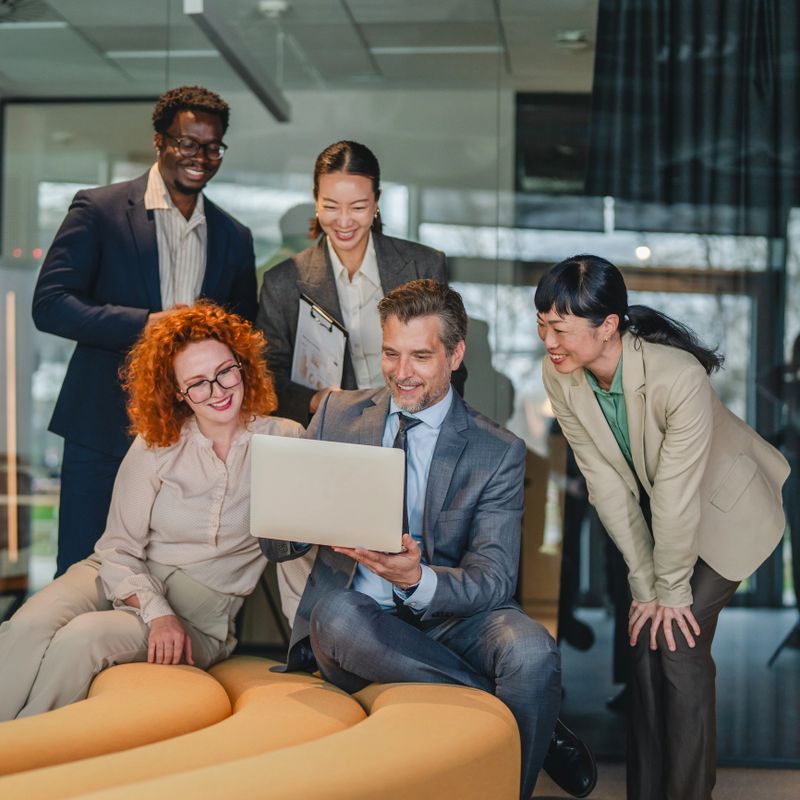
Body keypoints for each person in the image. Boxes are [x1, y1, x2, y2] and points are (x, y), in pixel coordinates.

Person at [261, 280, 596, 800]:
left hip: (453, 620)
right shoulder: (337, 415)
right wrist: (297, 519)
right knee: (339, 614)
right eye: (391, 353)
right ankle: (531, 720)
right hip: (360, 622)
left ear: (455, 355)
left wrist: (418, 579)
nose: (401, 372)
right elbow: (276, 545)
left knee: (532, 652)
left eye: (420, 356)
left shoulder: (497, 451)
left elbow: (494, 579)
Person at [535, 255, 790, 800]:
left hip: (729, 511)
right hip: (669, 515)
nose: (548, 340)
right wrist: (645, 586)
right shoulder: (560, 374)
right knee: (644, 639)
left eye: (560, 327)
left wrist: (668, 591)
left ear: (608, 326)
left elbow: (676, 495)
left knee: (677, 643)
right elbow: (604, 483)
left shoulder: (678, 376)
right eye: (542, 325)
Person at [0, 304, 302, 720]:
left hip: (199, 614)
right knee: (27, 625)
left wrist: (308, 645)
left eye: (224, 372)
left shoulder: (286, 441)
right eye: (197, 383)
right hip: (117, 571)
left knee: (83, 638)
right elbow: (118, 548)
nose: (217, 391)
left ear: (243, 366)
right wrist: (156, 611)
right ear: (177, 392)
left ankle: (24, 745)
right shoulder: (158, 441)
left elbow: (297, 552)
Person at [32, 85, 258, 576]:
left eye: (213, 147)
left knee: (168, 576)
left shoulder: (234, 237)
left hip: (189, 437)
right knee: (83, 568)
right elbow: (50, 305)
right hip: (102, 425)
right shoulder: (100, 210)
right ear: (159, 141)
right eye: (187, 143)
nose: (201, 157)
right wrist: (146, 325)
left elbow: (242, 334)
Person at [256, 140, 465, 425]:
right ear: (316, 200)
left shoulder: (423, 265)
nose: (344, 221)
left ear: (376, 202)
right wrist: (314, 401)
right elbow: (266, 376)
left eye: (357, 207)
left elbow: (451, 361)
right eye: (331, 206)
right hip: (330, 430)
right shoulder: (283, 282)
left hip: (415, 425)